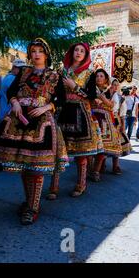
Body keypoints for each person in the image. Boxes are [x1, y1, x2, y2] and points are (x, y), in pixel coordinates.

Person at [0, 38, 68, 225]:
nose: (36, 54)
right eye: (33, 51)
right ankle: (29, 202)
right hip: (19, 119)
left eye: (40, 51)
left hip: (41, 121)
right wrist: (15, 103)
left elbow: (62, 99)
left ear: (46, 54)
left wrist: (46, 108)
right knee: (24, 165)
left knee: (36, 166)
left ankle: (33, 207)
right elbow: (10, 92)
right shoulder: (24, 72)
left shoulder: (55, 75)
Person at [50, 42, 103, 199]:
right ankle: (53, 187)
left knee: (82, 152)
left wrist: (75, 87)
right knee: (58, 150)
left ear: (86, 55)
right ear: (72, 52)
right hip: (63, 112)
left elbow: (92, 95)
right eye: (76, 50)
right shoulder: (62, 71)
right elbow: (55, 92)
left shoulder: (90, 73)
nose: (79, 53)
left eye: (82, 51)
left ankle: (81, 185)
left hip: (81, 113)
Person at [88, 68, 122, 182]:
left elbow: (112, 105)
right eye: (97, 76)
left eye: (101, 76)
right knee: (90, 146)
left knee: (103, 147)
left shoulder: (109, 91)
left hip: (105, 121)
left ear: (106, 78)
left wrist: (102, 97)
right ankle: (89, 170)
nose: (99, 78)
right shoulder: (90, 89)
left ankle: (96, 171)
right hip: (92, 119)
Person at [108, 78, 131, 174]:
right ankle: (100, 165)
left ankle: (116, 166)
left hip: (115, 120)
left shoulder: (120, 98)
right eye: (114, 84)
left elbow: (122, 113)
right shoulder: (105, 94)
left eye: (117, 85)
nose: (116, 86)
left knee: (117, 142)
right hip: (104, 118)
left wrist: (123, 125)